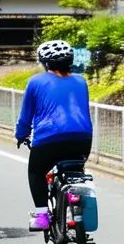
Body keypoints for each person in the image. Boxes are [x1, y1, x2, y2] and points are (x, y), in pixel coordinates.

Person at [15, 40, 93, 231]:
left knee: (36, 172)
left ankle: (42, 216)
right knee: (75, 171)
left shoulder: (36, 81)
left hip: (49, 138)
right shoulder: (80, 80)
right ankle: (74, 208)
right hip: (83, 138)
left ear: (45, 62)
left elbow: (27, 116)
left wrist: (21, 135)